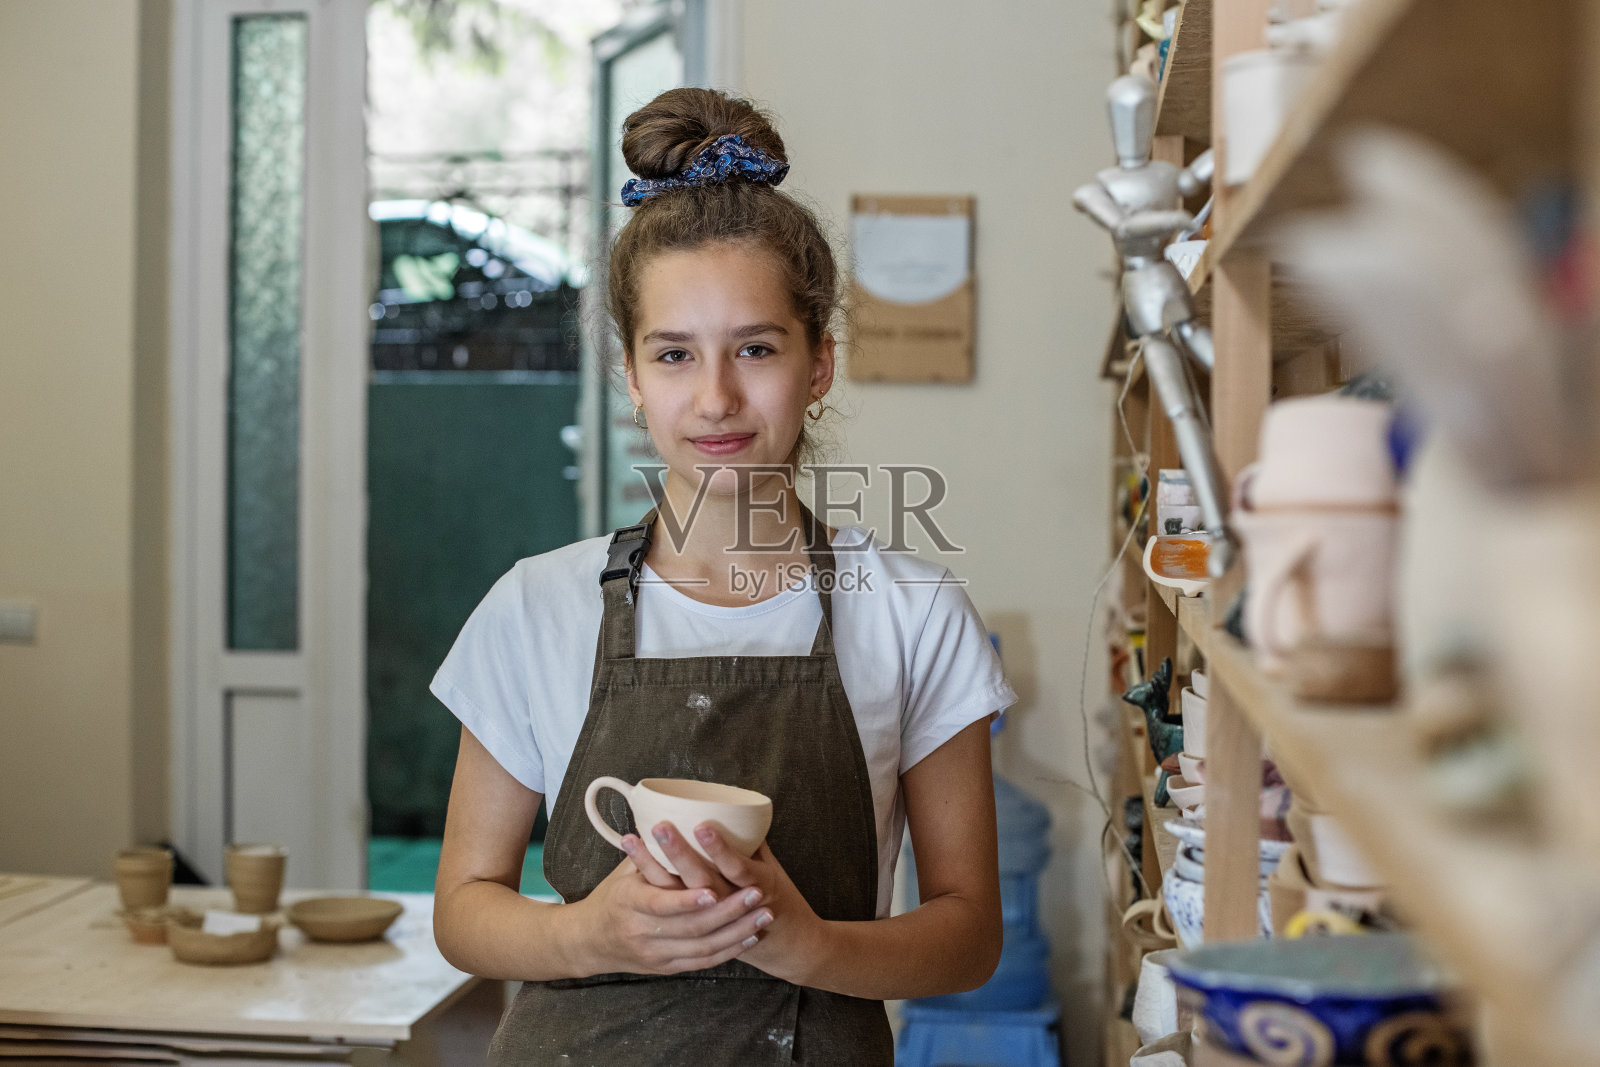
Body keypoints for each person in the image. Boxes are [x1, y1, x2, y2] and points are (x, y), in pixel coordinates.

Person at [430, 87, 1017, 1066]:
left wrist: (809, 945)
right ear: (630, 372)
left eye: (755, 347)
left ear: (819, 361)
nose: (715, 398)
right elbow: (463, 906)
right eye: (673, 353)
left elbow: (969, 933)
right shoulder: (536, 605)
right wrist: (590, 933)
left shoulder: (912, 614)